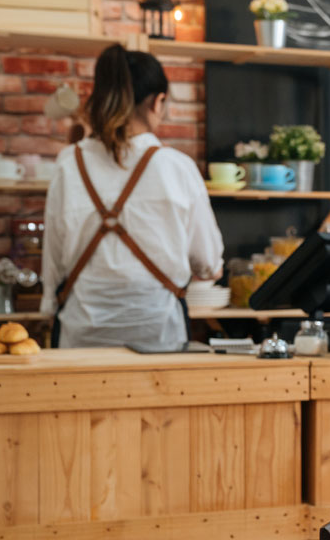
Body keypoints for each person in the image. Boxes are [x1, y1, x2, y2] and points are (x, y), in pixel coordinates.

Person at [41, 44, 223, 349]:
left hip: (81, 340)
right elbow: (208, 265)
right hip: (159, 338)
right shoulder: (178, 168)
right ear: (157, 102)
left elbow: (53, 264)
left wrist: (48, 307)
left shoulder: (69, 163)